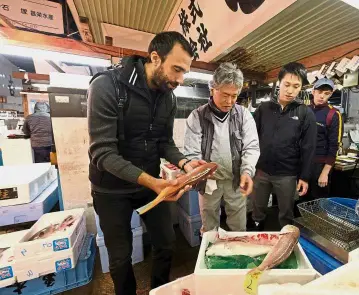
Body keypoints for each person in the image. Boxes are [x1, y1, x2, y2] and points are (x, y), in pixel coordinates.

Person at [87, 31, 206, 295]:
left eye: (185, 71)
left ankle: (159, 290)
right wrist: (153, 181)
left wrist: (186, 164)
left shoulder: (168, 97)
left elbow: (164, 142)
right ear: (155, 57)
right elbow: (103, 153)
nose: (180, 79)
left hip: (150, 185)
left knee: (165, 243)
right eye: (176, 69)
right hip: (110, 190)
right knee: (120, 258)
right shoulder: (108, 85)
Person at [183, 62, 260, 232]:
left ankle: (237, 256)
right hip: (209, 182)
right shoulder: (197, 116)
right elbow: (192, 153)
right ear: (213, 89)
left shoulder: (243, 115)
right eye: (225, 95)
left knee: (238, 225)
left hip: (236, 180)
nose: (230, 101)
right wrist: (196, 173)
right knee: (209, 224)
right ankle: (210, 253)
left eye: (234, 96)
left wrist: (247, 171)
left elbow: (251, 147)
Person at [250, 62, 317, 230]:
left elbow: (309, 147)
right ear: (279, 82)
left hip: (287, 174)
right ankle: (257, 234)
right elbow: (252, 139)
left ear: (301, 88)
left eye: (296, 86)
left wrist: (304, 177)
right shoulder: (263, 109)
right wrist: (249, 167)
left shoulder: (305, 113)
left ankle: (286, 244)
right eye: (287, 84)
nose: (290, 90)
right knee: (257, 209)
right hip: (261, 171)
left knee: (286, 213)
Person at [307, 78, 343, 199]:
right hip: (303, 165)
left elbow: (334, 145)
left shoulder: (333, 114)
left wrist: (325, 172)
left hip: (320, 166)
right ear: (313, 92)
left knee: (319, 202)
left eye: (326, 93)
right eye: (320, 92)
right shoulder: (304, 111)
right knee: (301, 200)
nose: (322, 96)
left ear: (331, 94)